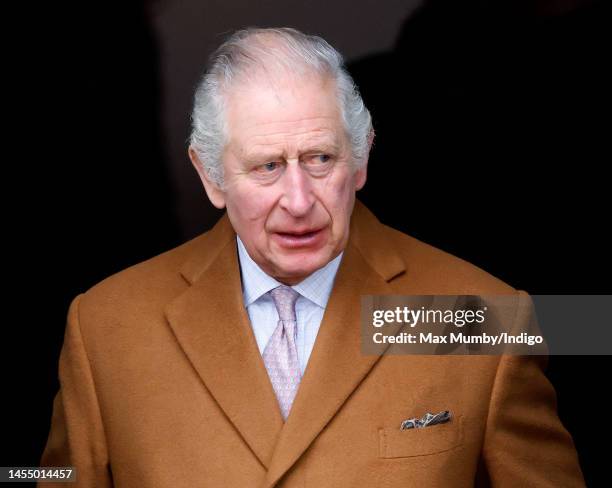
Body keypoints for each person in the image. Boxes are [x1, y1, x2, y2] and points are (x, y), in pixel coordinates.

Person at [39, 27, 585, 487]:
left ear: (362, 156)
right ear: (209, 176)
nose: (298, 202)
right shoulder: (106, 324)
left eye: (320, 158)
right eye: (266, 167)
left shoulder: (484, 314)